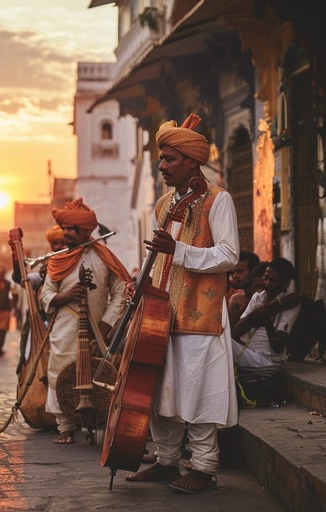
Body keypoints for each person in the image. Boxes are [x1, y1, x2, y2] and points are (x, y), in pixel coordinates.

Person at [125, 113, 239, 494]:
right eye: (161, 160)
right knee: (162, 390)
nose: (162, 167)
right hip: (162, 313)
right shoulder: (163, 205)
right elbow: (159, 256)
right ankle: (166, 460)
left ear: (192, 162)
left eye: (169, 160)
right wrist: (140, 285)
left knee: (199, 389)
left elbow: (228, 255)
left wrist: (182, 251)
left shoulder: (217, 201)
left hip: (200, 313)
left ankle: (204, 467)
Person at [40, 198, 131, 444]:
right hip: (65, 327)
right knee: (61, 372)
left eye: (73, 230)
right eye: (66, 229)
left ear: (86, 231)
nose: (68, 234)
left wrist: (107, 323)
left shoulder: (103, 257)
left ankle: (95, 421)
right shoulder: (57, 259)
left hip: (97, 327)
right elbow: (46, 294)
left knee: (97, 374)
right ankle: (65, 427)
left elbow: (121, 290)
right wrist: (64, 296)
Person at [9, 225, 66, 373]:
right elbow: (21, 279)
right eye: (56, 243)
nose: (59, 246)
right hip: (41, 328)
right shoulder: (43, 272)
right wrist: (16, 257)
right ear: (51, 245)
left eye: (63, 242)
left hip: (65, 327)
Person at [231, 257, 300, 368]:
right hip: (249, 353)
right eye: (266, 278)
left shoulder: (291, 304)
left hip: (268, 361)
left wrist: (267, 322)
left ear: (285, 283)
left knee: (223, 345)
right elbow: (235, 332)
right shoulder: (258, 297)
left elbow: (278, 348)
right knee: (221, 341)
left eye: (273, 281)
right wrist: (255, 314)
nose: (267, 284)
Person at [227, 251, 261, 328]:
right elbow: (231, 333)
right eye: (233, 272)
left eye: (240, 271)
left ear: (252, 271)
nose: (235, 276)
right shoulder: (236, 300)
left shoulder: (263, 297)